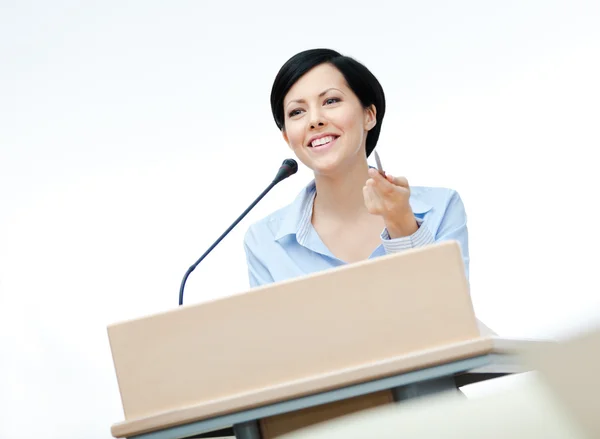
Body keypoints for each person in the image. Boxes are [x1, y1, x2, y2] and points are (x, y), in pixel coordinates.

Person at [243, 48, 469, 288]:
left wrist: (402, 224)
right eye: (297, 112)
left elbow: (447, 316)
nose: (314, 120)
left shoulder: (442, 208)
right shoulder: (263, 241)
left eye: (331, 101)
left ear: (369, 115)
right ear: (288, 138)